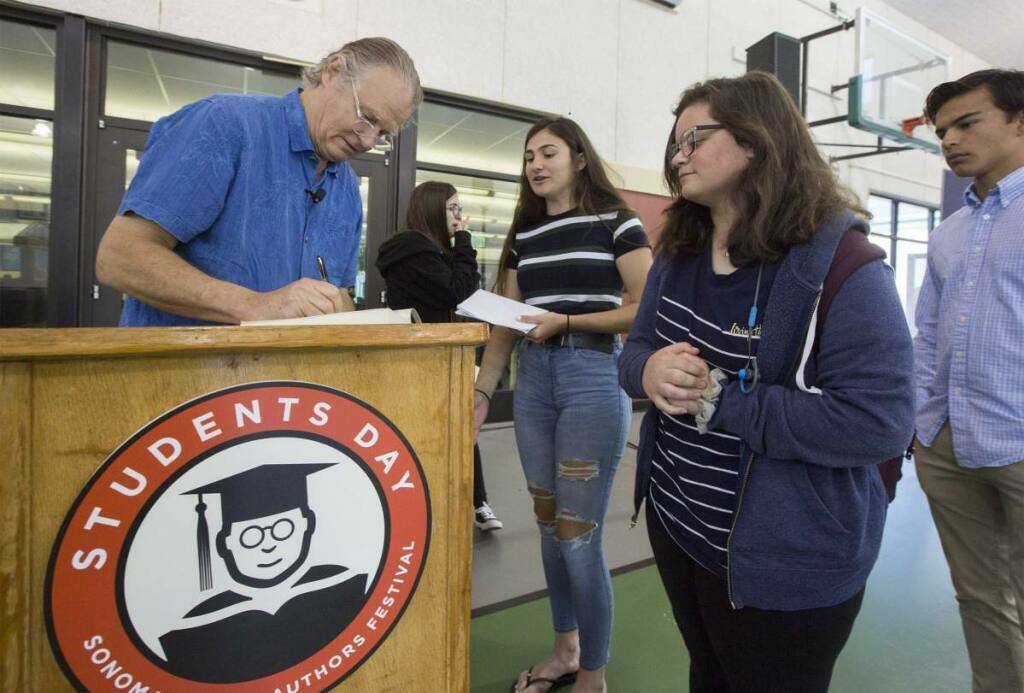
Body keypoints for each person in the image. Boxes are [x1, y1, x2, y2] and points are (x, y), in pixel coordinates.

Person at [618, 72, 915, 692]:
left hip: (786, 558)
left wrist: (718, 400)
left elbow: (878, 424)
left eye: (695, 138)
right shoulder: (681, 248)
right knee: (708, 674)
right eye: (674, 143)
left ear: (755, 141)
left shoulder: (845, 267)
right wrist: (646, 369)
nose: (678, 156)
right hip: (678, 520)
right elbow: (636, 350)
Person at [473, 117, 652, 693]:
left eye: (547, 153)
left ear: (579, 158)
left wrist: (569, 321)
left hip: (592, 378)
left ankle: (592, 674)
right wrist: (483, 390)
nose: (536, 165)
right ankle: (565, 649)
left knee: (578, 536)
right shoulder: (525, 235)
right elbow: (506, 323)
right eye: (529, 157)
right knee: (549, 529)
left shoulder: (616, 221)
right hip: (533, 383)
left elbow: (646, 307)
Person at [95, 37, 421, 326]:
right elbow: (120, 257)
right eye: (367, 118)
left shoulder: (347, 187)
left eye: (383, 134)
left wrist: (348, 316)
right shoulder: (224, 125)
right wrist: (255, 305)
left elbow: (337, 292)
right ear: (333, 71)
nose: (367, 141)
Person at [914, 69, 1024, 693]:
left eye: (967, 123)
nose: (950, 140)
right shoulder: (949, 233)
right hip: (947, 443)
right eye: (941, 131)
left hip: (1019, 438)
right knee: (978, 597)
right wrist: (920, 425)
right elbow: (927, 334)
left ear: (1020, 121)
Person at [159, 463, 369, 683]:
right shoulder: (194, 628)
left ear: (307, 524)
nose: (268, 545)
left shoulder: (348, 583)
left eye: (283, 529)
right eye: (251, 536)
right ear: (224, 543)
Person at [376, 180, 503, 531]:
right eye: (452, 208)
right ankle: (452, 503)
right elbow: (458, 291)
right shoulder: (414, 250)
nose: (458, 216)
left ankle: (476, 501)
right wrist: (465, 241)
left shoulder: (427, 251)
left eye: (459, 208)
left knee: (460, 426)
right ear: (433, 209)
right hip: (423, 358)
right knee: (440, 430)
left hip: (436, 356)